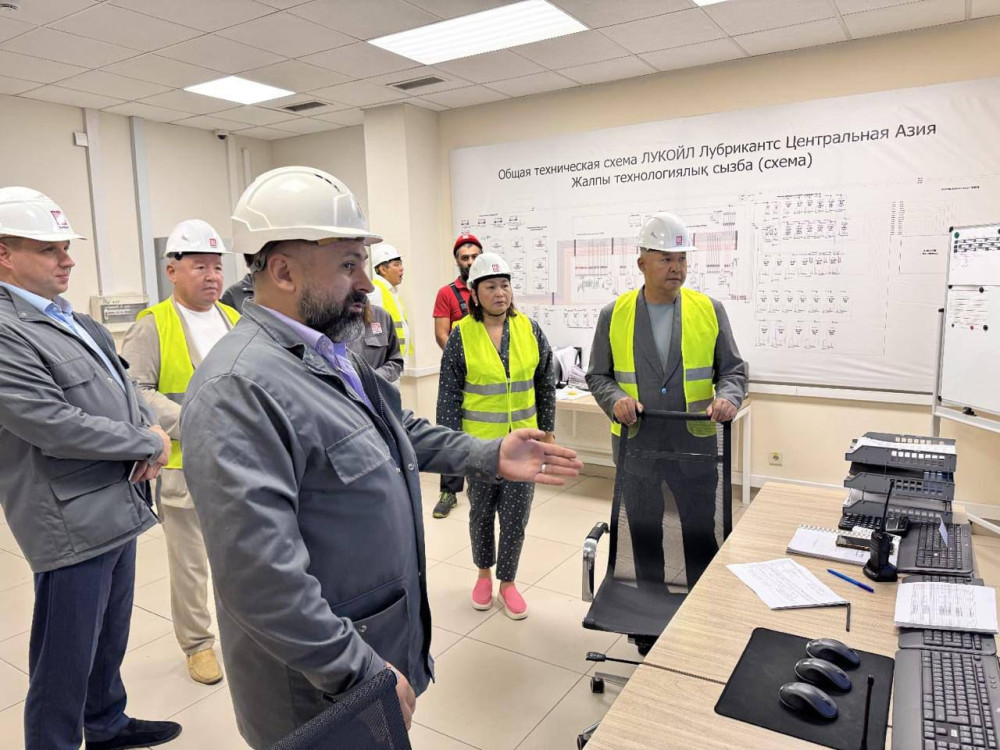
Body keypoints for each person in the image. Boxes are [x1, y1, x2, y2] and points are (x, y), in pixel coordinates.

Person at [179, 166, 583, 750]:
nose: (367, 283)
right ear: (284, 271)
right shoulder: (238, 389)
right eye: (349, 265)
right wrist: (357, 671)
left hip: (371, 656)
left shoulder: (329, 353)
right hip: (317, 691)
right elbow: (260, 578)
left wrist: (490, 453)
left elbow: (399, 429)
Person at [0, 187, 181, 750]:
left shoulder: (74, 320)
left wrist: (147, 441)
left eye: (65, 247)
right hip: (68, 517)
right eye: (49, 249)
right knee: (65, 653)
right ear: (4, 254)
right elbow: (51, 423)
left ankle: (105, 722)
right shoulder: (6, 330)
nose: (68, 260)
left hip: (115, 499)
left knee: (108, 635)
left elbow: (125, 388)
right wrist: (145, 442)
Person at [586, 212, 747, 588]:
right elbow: (598, 375)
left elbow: (733, 371)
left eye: (682, 259)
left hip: (695, 445)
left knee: (700, 534)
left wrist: (728, 397)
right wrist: (615, 399)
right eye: (666, 259)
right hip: (636, 445)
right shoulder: (614, 314)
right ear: (642, 264)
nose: (677, 267)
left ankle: (700, 610)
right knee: (643, 535)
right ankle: (648, 607)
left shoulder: (709, 310)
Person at [121, 219, 239, 686]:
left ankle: (243, 632)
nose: (212, 276)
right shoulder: (153, 324)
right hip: (184, 466)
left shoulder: (235, 320)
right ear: (172, 271)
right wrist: (194, 419)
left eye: (217, 267)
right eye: (200, 266)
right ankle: (198, 645)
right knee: (190, 564)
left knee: (241, 556)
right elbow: (134, 390)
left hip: (238, 462)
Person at [437, 253, 556, 620]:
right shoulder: (461, 335)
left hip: (524, 444)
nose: (500, 293)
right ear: (475, 294)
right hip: (480, 445)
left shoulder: (530, 329)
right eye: (490, 287)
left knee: (516, 516)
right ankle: (483, 575)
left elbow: (545, 382)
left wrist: (548, 431)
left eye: (505, 285)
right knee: (481, 512)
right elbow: (449, 394)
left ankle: (508, 581)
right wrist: (450, 446)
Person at [431, 233, 482, 519]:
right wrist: (463, 361)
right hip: (457, 373)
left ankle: (484, 481)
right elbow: (441, 334)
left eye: (475, 256)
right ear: (457, 261)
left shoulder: (491, 289)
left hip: (486, 376)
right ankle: (449, 491)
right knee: (450, 430)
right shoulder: (447, 293)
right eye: (465, 258)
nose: (470, 261)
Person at [367, 242, 410, 359]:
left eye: (401, 264)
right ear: (383, 269)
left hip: (397, 359)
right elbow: (374, 330)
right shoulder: (375, 291)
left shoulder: (391, 292)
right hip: (387, 361)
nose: (402, 268)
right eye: (396, 264)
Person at [347, 301, 404, 383]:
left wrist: (375, 378)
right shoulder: (331, 321)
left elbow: (396, 362)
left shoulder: (381, 316)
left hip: (379, 387)